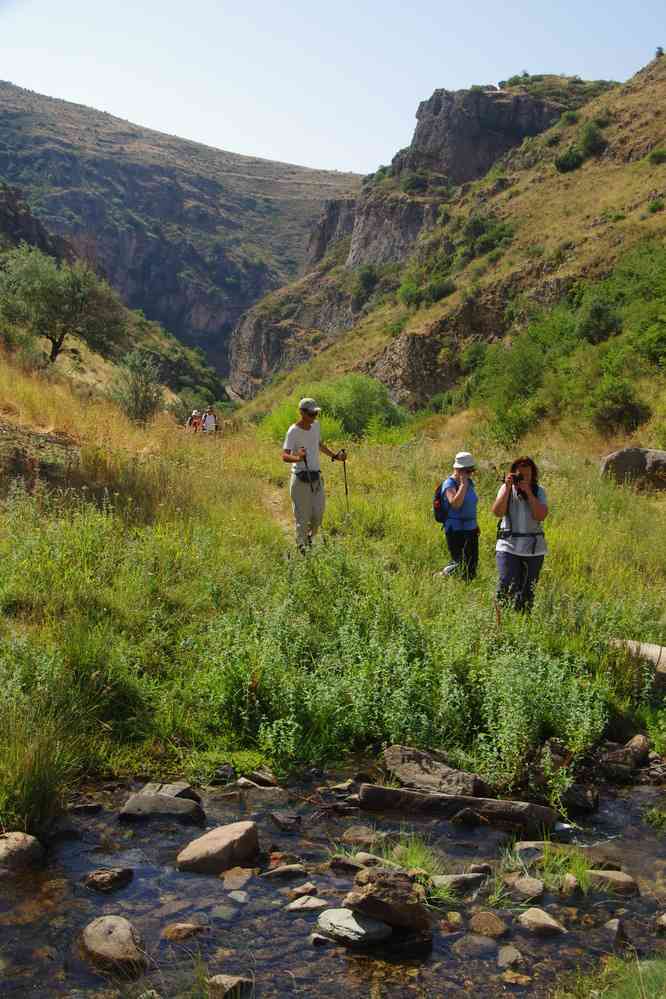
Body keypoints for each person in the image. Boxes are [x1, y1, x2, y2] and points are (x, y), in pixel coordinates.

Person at [281, 397, 346, 552]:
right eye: (311, 414)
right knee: (302, 519)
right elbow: (284, 456)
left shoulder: (316, 425)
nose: (314, 417)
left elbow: (318, 444)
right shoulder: (293, 431)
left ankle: (309, 539)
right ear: (301, 412)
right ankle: (302, 548)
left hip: (316, 477)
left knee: (318, 515)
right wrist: (298, 457)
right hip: (300, 479)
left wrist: (335, 456)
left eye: (316, 413)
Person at [491, 455, 548, 612]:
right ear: (513, 474)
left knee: (527, 590)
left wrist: (529, 493)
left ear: (533, 475)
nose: (524, 478)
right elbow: (497, 512)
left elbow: (540, 516)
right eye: (520, 475)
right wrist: (508, 488)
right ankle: (499, 618)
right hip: (508, 545)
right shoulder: (506, 489)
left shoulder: (538, 491)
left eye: (527, 475)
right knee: (506, 582)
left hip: (533, 548)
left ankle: (522, 620)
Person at [436, 451, 479, 580]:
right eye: (468, 471)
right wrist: (463, 484)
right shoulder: (449, 484)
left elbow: (471, 505)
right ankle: (442, 576)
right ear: (459, 469)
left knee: (471, 564)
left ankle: (466, 589)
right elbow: (455, 504)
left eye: (471, 471)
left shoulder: (469, 483)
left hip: (471, 528)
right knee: (460, 562)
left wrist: (476, 525)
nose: (470, 474)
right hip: (455, 529)